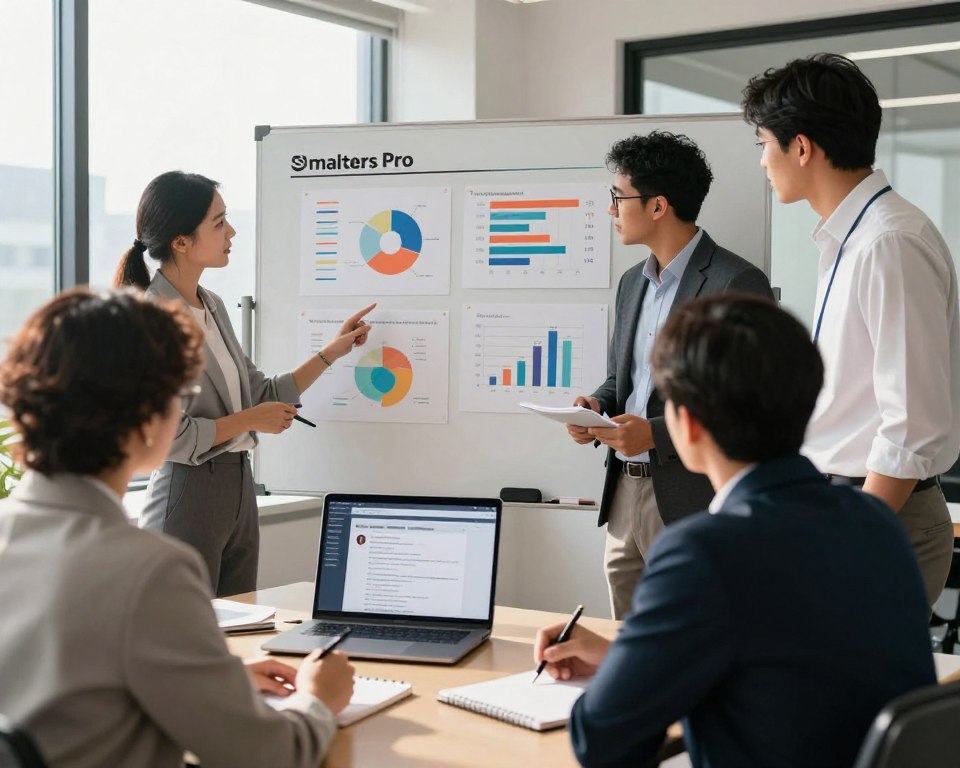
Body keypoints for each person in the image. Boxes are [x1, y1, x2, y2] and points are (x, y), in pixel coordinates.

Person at [535, 294, 936, 768]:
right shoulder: (875, 521)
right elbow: (786, 669)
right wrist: (628, 658)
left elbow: (602, 742)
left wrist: (628, 678)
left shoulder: (702, 553)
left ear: (687, 424)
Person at [0, 288, 355, 767]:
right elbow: (270, 756)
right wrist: (318, 699)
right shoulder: (148, 571)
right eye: (181, 397)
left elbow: (66, 690)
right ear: (148, 419)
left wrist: (211, 680)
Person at [741, 53, 960, 605]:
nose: (762, 161)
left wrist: (850, 532)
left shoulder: (889, 242)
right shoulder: (851, 238)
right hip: (844, 505)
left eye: (763, 143)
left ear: (801, 147)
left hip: (880, 514)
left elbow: (912, 425)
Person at [115, 171, 375, 596]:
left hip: (237, 487)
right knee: (191, 628)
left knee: (242, 624)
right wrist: (251, 420)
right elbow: (171, 436)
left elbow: (261, 394)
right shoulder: (149, 318)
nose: (231, 232)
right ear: (181, 241)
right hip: (188, 492)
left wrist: (332, 352)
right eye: (218, 223)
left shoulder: (212, 305)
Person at [567, 131, 774, 617]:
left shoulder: (735, 282)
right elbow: (623, 381)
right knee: (627, 639)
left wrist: (655, 435)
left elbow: (748, 406)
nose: (611, 209)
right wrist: (595, 407)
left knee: (695, 634)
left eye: (618, 197)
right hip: (624, 493)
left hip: (691, 497)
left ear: (658, 205)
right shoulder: (630, 283)